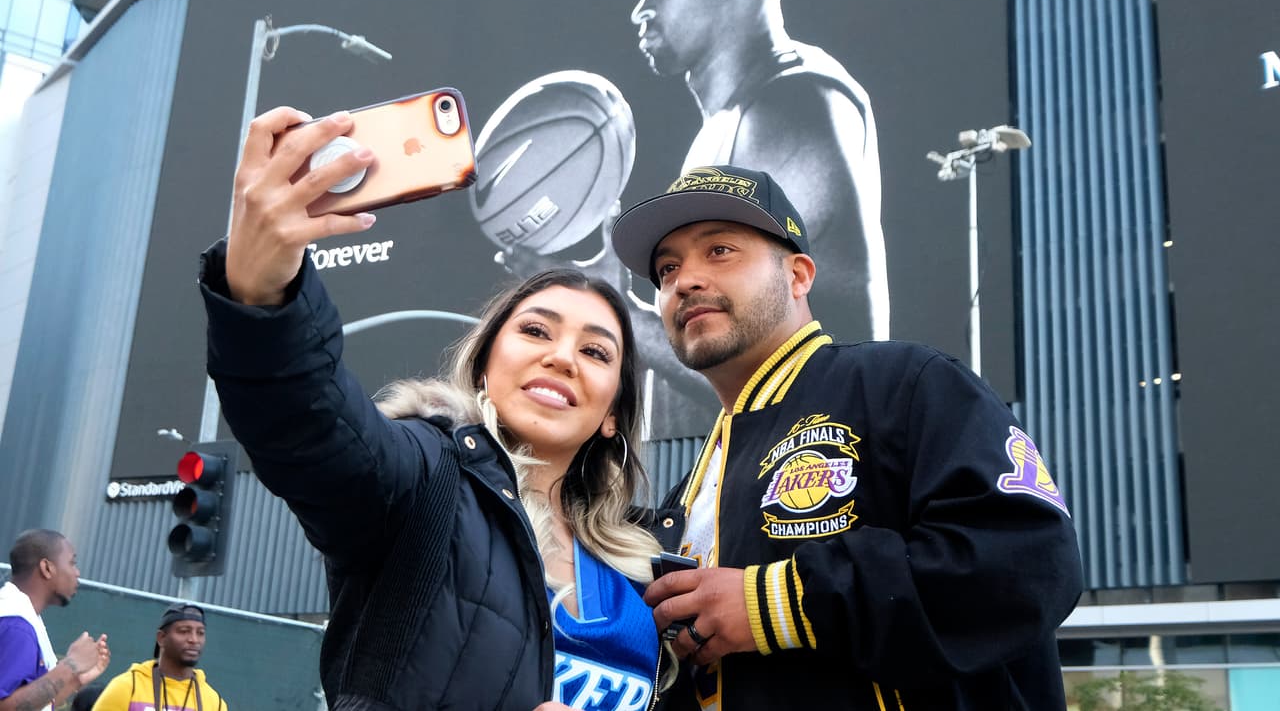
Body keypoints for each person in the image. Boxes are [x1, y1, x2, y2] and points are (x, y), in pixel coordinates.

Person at [198, 107, 665, 710]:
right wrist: (262, 288)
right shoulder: (422, 475)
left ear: (611, 414)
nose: (563, 357)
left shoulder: (642, 566)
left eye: (596, 351)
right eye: (535, 331)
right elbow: (310, 421)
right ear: (484, 367)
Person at [610, 165, 1084, 709]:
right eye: (667, 269)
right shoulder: (691, 490)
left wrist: (776, 605)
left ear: (798, 275)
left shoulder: (908, 383)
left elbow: (1027, 562)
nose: (685, 280)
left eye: (719, 250)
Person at [630, 0, 889, 348]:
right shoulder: (732, 117)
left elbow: (753, 349)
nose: (641, 9)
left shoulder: (789, 105)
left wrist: (624, 320)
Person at [0, 529, 110, 711]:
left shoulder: (22, 616)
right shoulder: (16, 624)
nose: (77, 572)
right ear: (47, 568)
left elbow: (32, 705)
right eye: (72, 563)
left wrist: (74, 680)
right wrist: (71, 665)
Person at [92, 602, 227, 711]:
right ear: (161, 638)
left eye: (200, 633)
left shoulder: (214, 702)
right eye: (184, 631)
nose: (194, 639)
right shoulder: (127, 687)